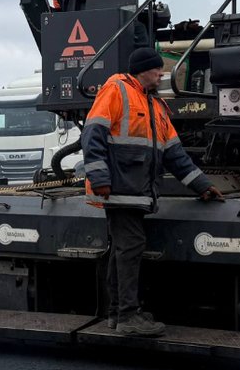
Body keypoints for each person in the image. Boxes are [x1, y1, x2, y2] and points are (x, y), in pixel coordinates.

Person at [81, 45, 223, 337]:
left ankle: (118, 312)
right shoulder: (117, 90)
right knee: (129, 249)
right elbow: (92, 135)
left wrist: (203, 186)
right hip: (119, 189)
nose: (162, 74)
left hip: (135, 190)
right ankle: (127, 317)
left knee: (123, 250)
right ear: (145, 70)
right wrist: (99, 177)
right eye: (158, 69)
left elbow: (175, 154)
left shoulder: (155, 106)